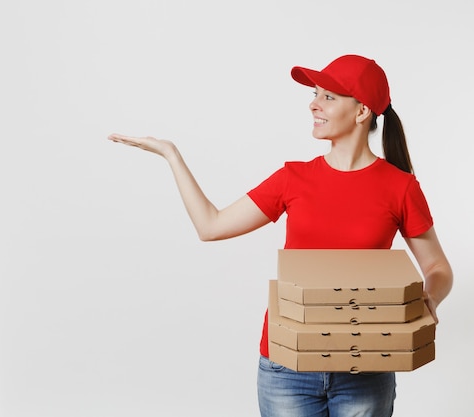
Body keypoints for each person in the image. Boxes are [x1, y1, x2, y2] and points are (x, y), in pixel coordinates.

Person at [108, 54, 453, 417]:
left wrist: (429, 298)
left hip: (363, 365)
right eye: (315, 94)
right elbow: (210, 226)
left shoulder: (399, 187)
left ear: (362, 111)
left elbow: (438, 268)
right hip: (288, 367)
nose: (313, 104)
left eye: (328, 97)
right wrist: (171, 155)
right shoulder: (293, 179)